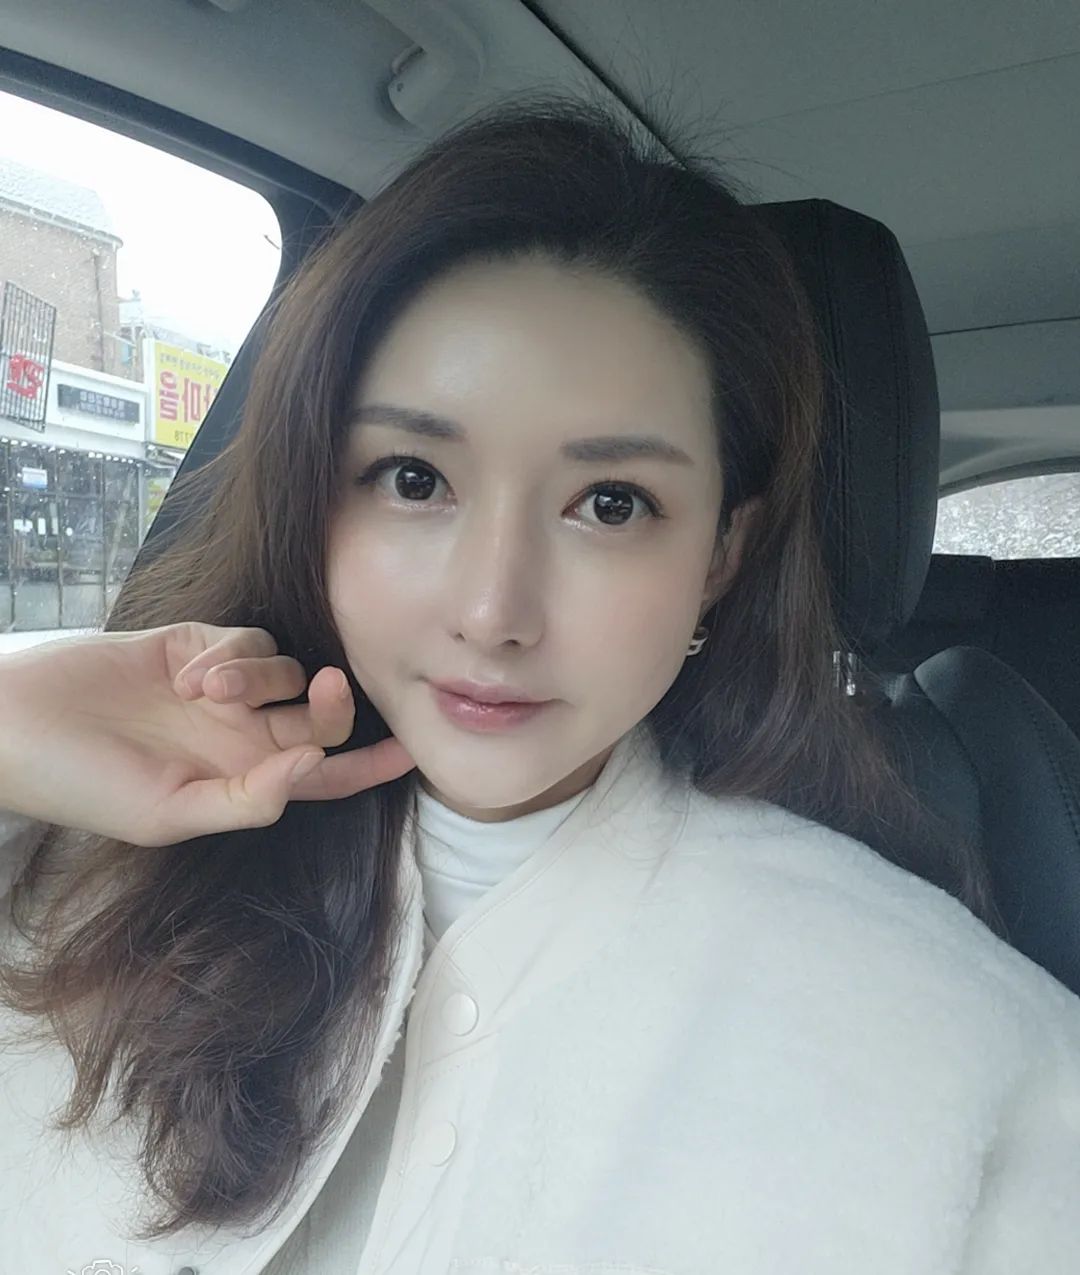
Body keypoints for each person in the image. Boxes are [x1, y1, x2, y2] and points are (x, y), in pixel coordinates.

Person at [1, 91, 1078, 1275]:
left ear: (721, 552)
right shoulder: (69, 864)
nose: (491, 612)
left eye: (610, 504)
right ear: (314, 494)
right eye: (414, 478)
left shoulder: (966, 1066)